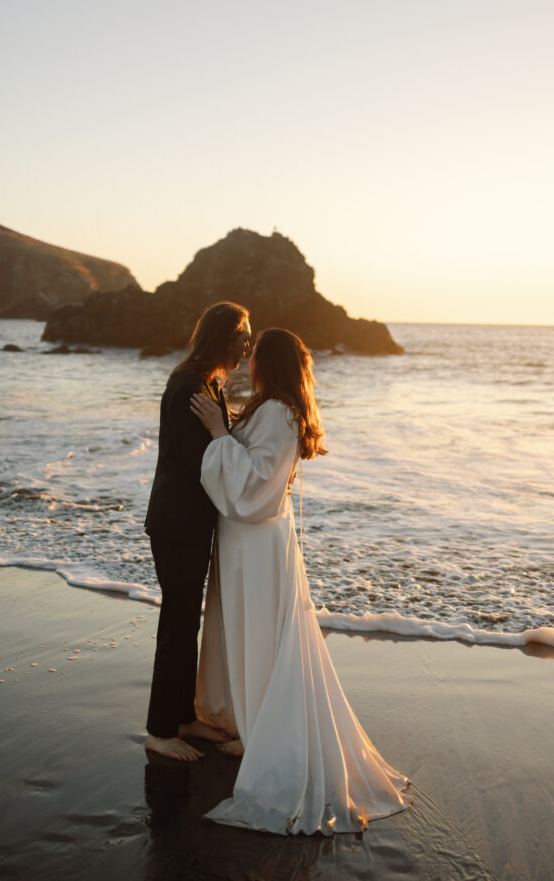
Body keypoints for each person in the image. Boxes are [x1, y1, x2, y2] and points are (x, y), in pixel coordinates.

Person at [190, 328, 412, 834]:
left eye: (256, 358)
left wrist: (219, 435)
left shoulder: (274, 411)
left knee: (259, 630)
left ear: (271, 363)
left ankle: (262, 733)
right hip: (262, 540)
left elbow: (253, 486)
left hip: (256, 540)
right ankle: (253, 724)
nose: (247, 365)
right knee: (261, 630)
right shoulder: (286, 409)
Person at [145, 301, 251, 761]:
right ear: (222, 336)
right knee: (178, 622)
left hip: (188, 520)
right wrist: (228, 445)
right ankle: (160, 730)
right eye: (243, 333)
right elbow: (197, 462)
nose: (248, 341)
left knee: (187, 619)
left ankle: (184, 717)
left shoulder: (206, 380)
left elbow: (211, 450)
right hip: (177, 523)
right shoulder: (190, 384)